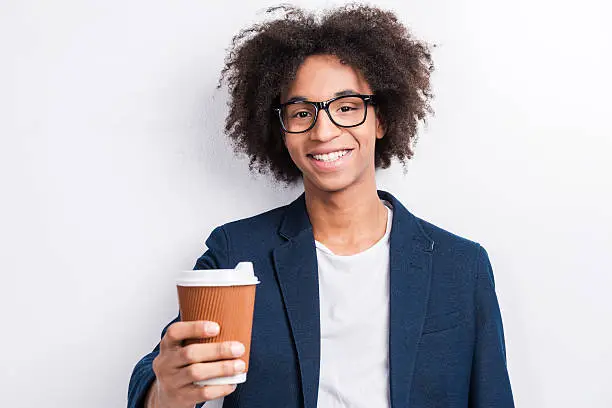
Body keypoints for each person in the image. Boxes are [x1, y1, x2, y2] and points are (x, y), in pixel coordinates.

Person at [128, 4, 514, 408]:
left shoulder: (461, 265)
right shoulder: (238, 252)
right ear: (281, 129)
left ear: (380, 119)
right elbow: (160, 374)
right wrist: (166, 392)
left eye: (346, 107)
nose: (324, 130)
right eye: (301, 112)